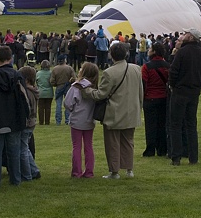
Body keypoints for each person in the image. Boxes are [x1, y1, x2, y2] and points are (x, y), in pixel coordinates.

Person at [84, 42, 143, 179]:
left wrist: (86, 91)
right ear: (126, 54)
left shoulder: (109, 72)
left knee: (113, 143)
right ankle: (129, 170)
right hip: (132, 111)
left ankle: (114, 171)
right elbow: (140, 91)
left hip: (114, 113)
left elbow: (101, 94)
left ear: (111, 55)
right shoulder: (136, 69)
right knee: (128, 141)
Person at [0, 47, 29, 188]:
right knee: (13, 151)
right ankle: (15, 179)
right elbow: (24, 99)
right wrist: (26, 116)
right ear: (11, 58)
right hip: (14, 119)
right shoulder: (16, 75)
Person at [167, 28, 201, 166]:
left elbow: (173, 71)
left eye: (185, 34)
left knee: (176, 125)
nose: (183, 36)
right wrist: (198, 86)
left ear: (191, 37)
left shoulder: (182, 52)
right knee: (191, 125)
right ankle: (193, 157)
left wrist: (173, 85)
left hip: (180, 92)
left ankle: (176, 157)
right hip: (194, 93)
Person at [65, 62, 99, 178]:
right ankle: (89, 171)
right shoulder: (95, 88)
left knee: (76, 146)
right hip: (89, 120)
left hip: (77, 120)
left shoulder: (76, 86)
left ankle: (76, 172)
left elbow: (68, 103)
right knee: (89, 146)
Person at [140, 42, 170, 158]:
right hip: (163, 97)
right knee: (162, 125)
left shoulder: (147, 67)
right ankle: (162, 149)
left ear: (154, 51)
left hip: (150, 98)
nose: (148, 50)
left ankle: (150, 149)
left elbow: (144, 83)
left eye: (150, 49)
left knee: (150, 125)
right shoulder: (167, 65)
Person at [18, 65, 41, 181]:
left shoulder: (27, 93)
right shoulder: (33, 91)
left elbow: (28, 109)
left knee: (22, 150)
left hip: (27, 123)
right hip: (31, 123)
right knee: (25, 148)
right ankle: (34, 170)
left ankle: (27, 175)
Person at [50, 55, 76, 125]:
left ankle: (58, 121)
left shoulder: (55, 69)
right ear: (65, 60)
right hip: (68, 87)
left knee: (58, 104)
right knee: (68, 104)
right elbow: (74, 78)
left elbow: (52, 81)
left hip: (59, 87)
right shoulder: (69, 68)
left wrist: (56, 84)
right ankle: (67, 120)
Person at [36, 60, 53, 126]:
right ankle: (47, 122)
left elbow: (36, 82)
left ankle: (41, 122)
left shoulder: (38, 73)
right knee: (48, 107)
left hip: (40, 92)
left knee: (40, 108)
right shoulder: (51, 73)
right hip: (49, 93)